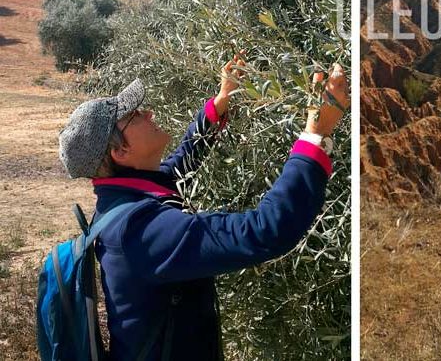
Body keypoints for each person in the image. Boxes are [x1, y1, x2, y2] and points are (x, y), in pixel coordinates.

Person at [56, 54, 349, 360]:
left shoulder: (128, 198)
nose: (148, 113)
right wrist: (316, 134)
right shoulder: (139, 230)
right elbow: (264, 230)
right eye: (134, 115)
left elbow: (182, 162)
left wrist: (221, 101)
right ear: (120, 150)